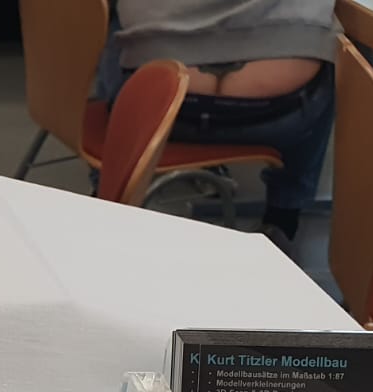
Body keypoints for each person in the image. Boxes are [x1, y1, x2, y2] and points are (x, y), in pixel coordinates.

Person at [114, 0, 337, 242]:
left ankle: (111, 192)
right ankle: (283, 216)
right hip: (282, 113)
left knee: (111, 29)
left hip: (157, 111)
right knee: (333, 52)